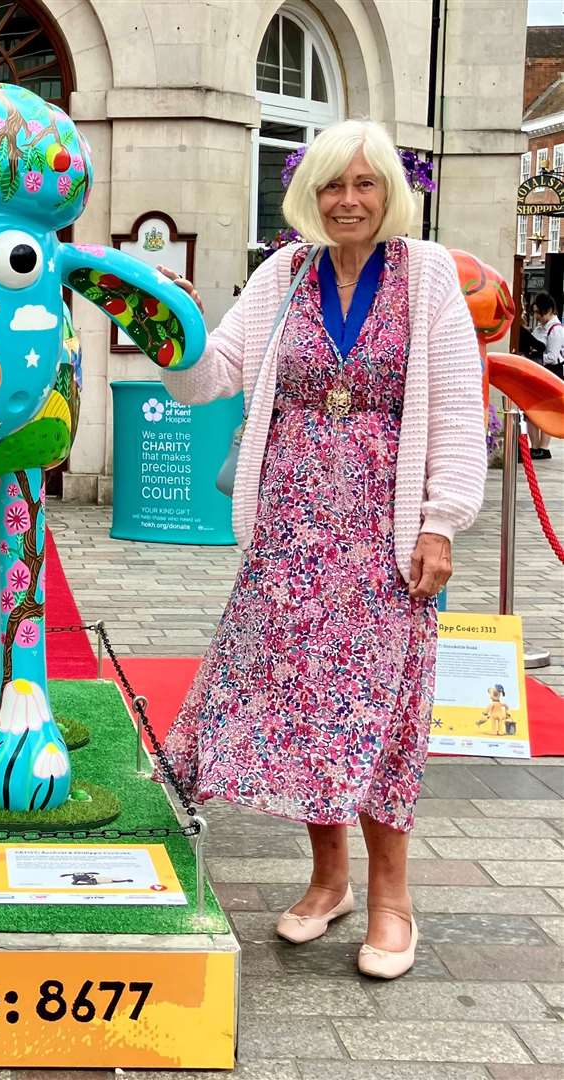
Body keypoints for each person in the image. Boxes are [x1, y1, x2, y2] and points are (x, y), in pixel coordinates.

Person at [155, 120, 485, 980]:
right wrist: (167, 318)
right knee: (308, 706)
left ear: (390, 193)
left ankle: (390, 899)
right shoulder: (283, 273)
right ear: (307, 195)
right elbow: (207, 377)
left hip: (384, 534)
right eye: (332, 186)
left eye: (364, 185)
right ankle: (326, 878)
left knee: (378, 711)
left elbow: (455, 405)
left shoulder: (428, 277)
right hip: (291, 533)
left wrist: (440, 522)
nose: (347, 202)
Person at [526, 293, 562, 459]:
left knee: (545, 410)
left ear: (548, 311)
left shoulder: (556, 330)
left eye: (538, 312)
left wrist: (534, 358)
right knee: (532, 410)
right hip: (537, 371)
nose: (536, 316)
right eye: (534, 312)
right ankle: (534, 446)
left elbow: (553, 356)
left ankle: (543, 446)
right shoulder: (539, 328)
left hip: (551, 373)